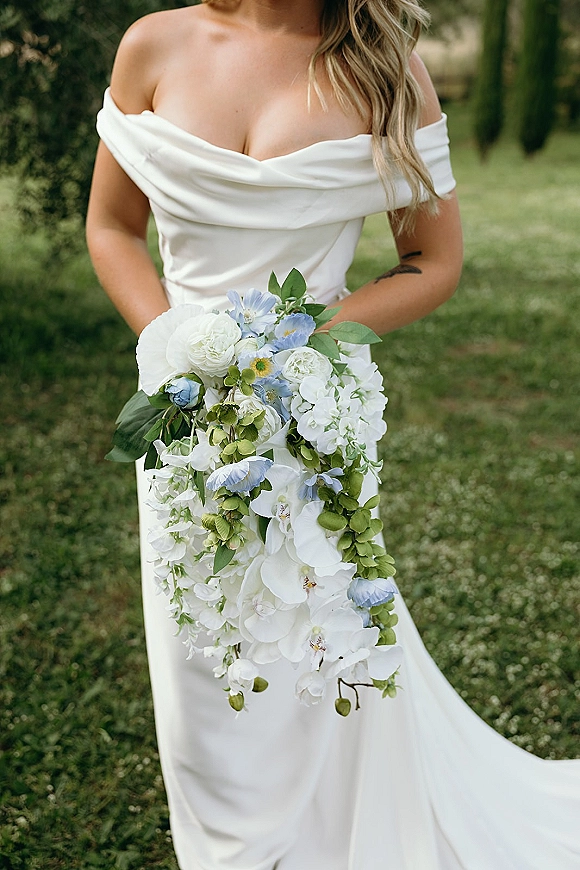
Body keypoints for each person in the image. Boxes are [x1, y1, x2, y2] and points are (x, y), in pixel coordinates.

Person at [86, 2, 579, 868]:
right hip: (184, 409)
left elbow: (434, 260)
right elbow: (113, 226)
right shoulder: (154, 44)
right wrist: (177, 352)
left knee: (322, 637)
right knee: (203, 658)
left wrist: (301, 347)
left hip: (311, 416)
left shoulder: (382, 64)